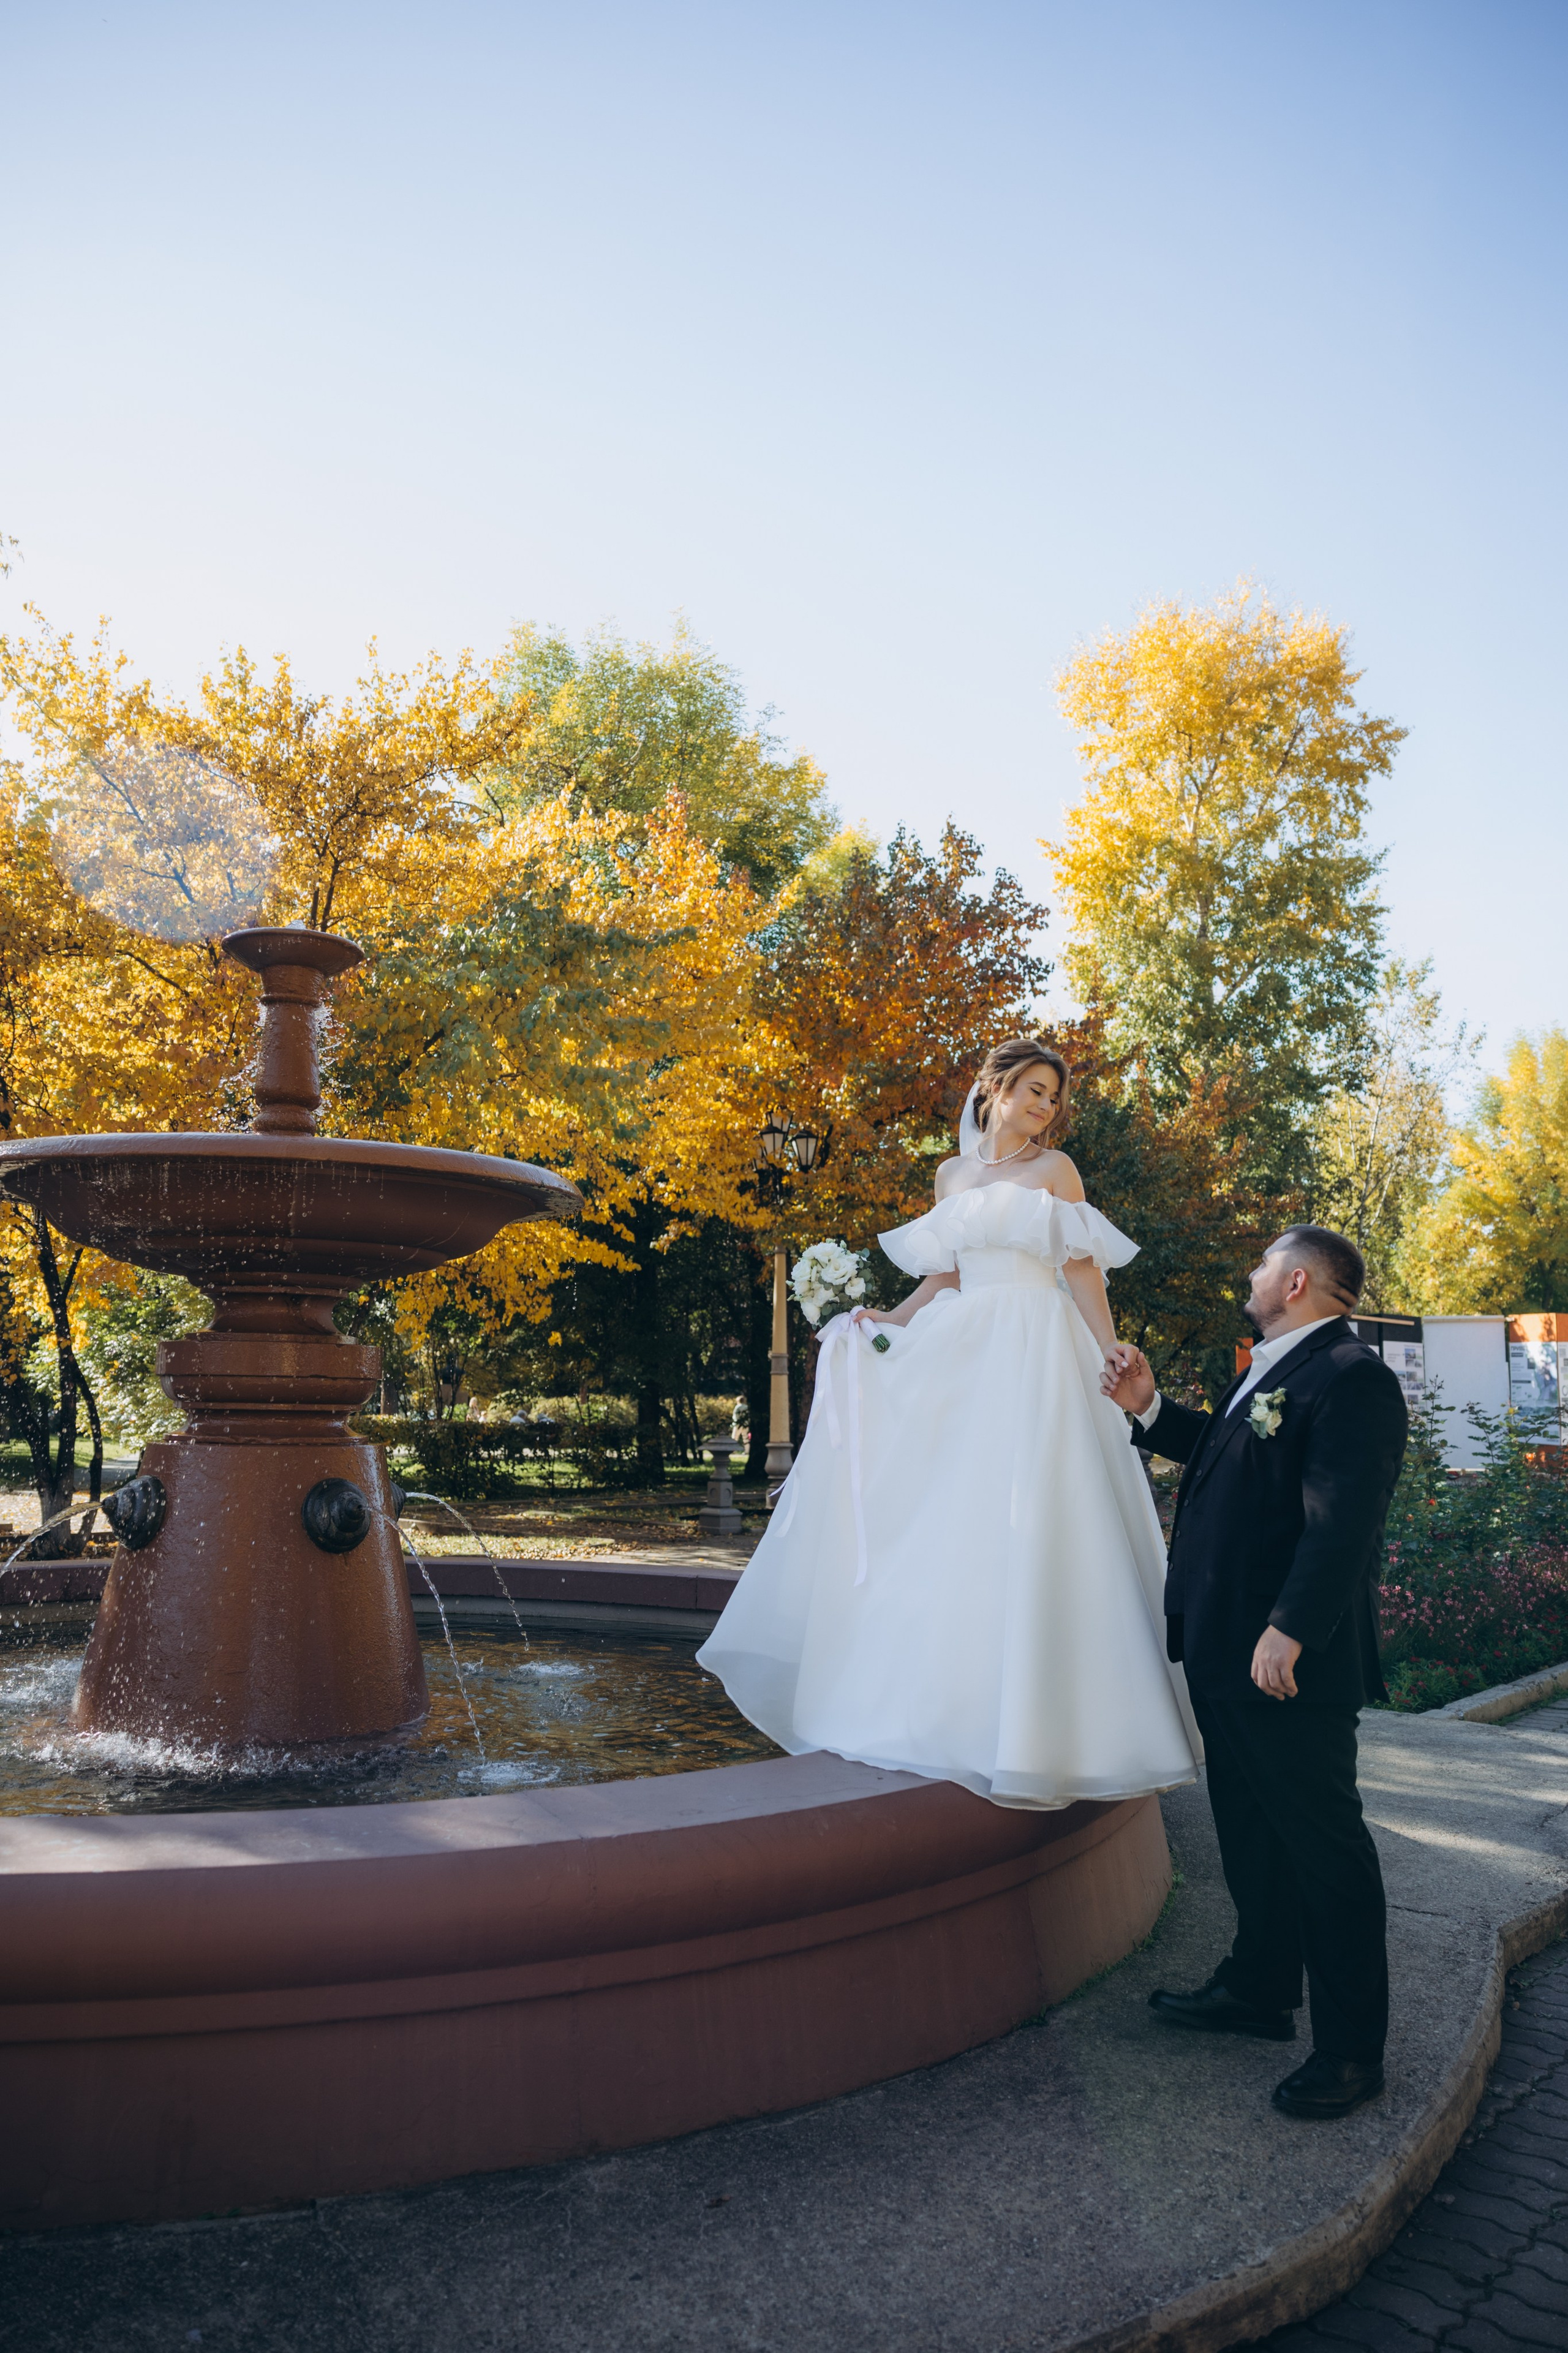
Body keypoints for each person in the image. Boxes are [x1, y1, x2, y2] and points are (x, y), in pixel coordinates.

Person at [697, 1038, 1202, 1811]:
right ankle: (934, 1711)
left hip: (1037, 1345)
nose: (1044, 1106)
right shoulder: (952, 1175)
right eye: (1033, 1090)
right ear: (994, 1089)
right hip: (966, 1345)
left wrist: (1110, 1353)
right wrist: (887, 1321)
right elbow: (947, 1270)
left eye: (1052, 1097)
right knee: (949, 1520)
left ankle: (1048, 1731)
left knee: (1038, 1517)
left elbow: (1079, 1268)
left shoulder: (1055, 1171)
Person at [1101, 1228, 1408, 2121]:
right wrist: (1152, 1410)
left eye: (1263, 1264)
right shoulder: (1269, 1368)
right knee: (1250, 1828)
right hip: (1225, 1647)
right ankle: (1260, 1989)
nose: (1250, 1274)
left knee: (1324, 1847)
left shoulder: (1352, 1378)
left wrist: (1290, 1630)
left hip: (1284, 1663)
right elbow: (1232, 1466)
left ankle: (1353, 2054)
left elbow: (1343, 1521)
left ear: (1300, 1280)